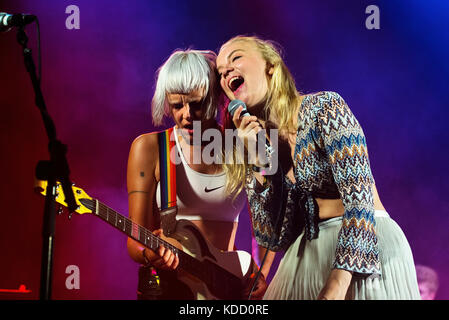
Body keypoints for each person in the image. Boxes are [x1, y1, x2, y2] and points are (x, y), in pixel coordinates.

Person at [216, 35, 421, 300]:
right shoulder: (257, 143)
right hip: (307, 254)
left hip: (361, 248)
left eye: (236, 58)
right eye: (221, 73)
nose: (227, 72)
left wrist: (337, 284)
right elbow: (271, 238)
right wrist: (258, 159)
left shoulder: (325, 107)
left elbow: (360, 200)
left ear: (270, 65)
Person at [126, 49, 266, 300]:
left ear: (214, 96)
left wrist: (258, 269)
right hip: (172, 289)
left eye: (197, 103)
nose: (186, 115)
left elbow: (266, 222)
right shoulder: (148, 148)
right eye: (177, 105)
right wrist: (151, 253)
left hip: (228, 287)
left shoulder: (240, 145)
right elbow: (135, 239)